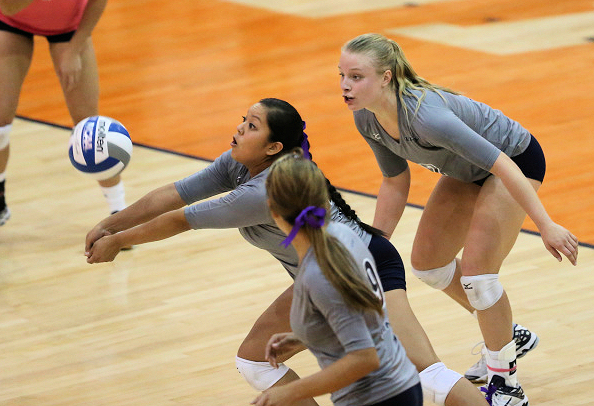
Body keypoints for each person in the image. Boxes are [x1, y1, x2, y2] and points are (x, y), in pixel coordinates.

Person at [85, 98, 488, 406]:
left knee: (424, 370)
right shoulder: (240, 164)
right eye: (244, 120)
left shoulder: (265, 190)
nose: (240, 128)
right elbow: (173, 194)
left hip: (364, 264)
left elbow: (180, 219)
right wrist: (110, 223)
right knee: (256, 360)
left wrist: (119, 241)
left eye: (252, 125)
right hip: (322, 274)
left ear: (274, 146)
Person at [338, 33, 579, 405]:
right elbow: (394, 180)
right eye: (342, 75)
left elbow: (503, 164)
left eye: (357, 76)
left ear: (386, 77)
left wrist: (546, 224)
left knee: (478, 275)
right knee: (428, 264)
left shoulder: (426, 116)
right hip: (468, 172)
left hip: (513, 161)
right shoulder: (367, 121)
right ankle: (508, 336)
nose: (345, 85)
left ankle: (507, 386)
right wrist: (374, 242)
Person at [251, 151, 422, 406]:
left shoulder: (318, 274)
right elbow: (359, 315)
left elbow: (364, 358)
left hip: (379, 397)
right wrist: (307, 337)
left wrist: (288, 391)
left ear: (273, 212)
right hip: (400, 384)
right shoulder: (343, 233)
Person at [0, 0, 127, 227]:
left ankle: (120, 211)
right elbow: (8, 7)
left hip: (71, 30)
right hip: (11, 22)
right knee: (0, 122)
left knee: (90, 128)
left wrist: (75, 49)